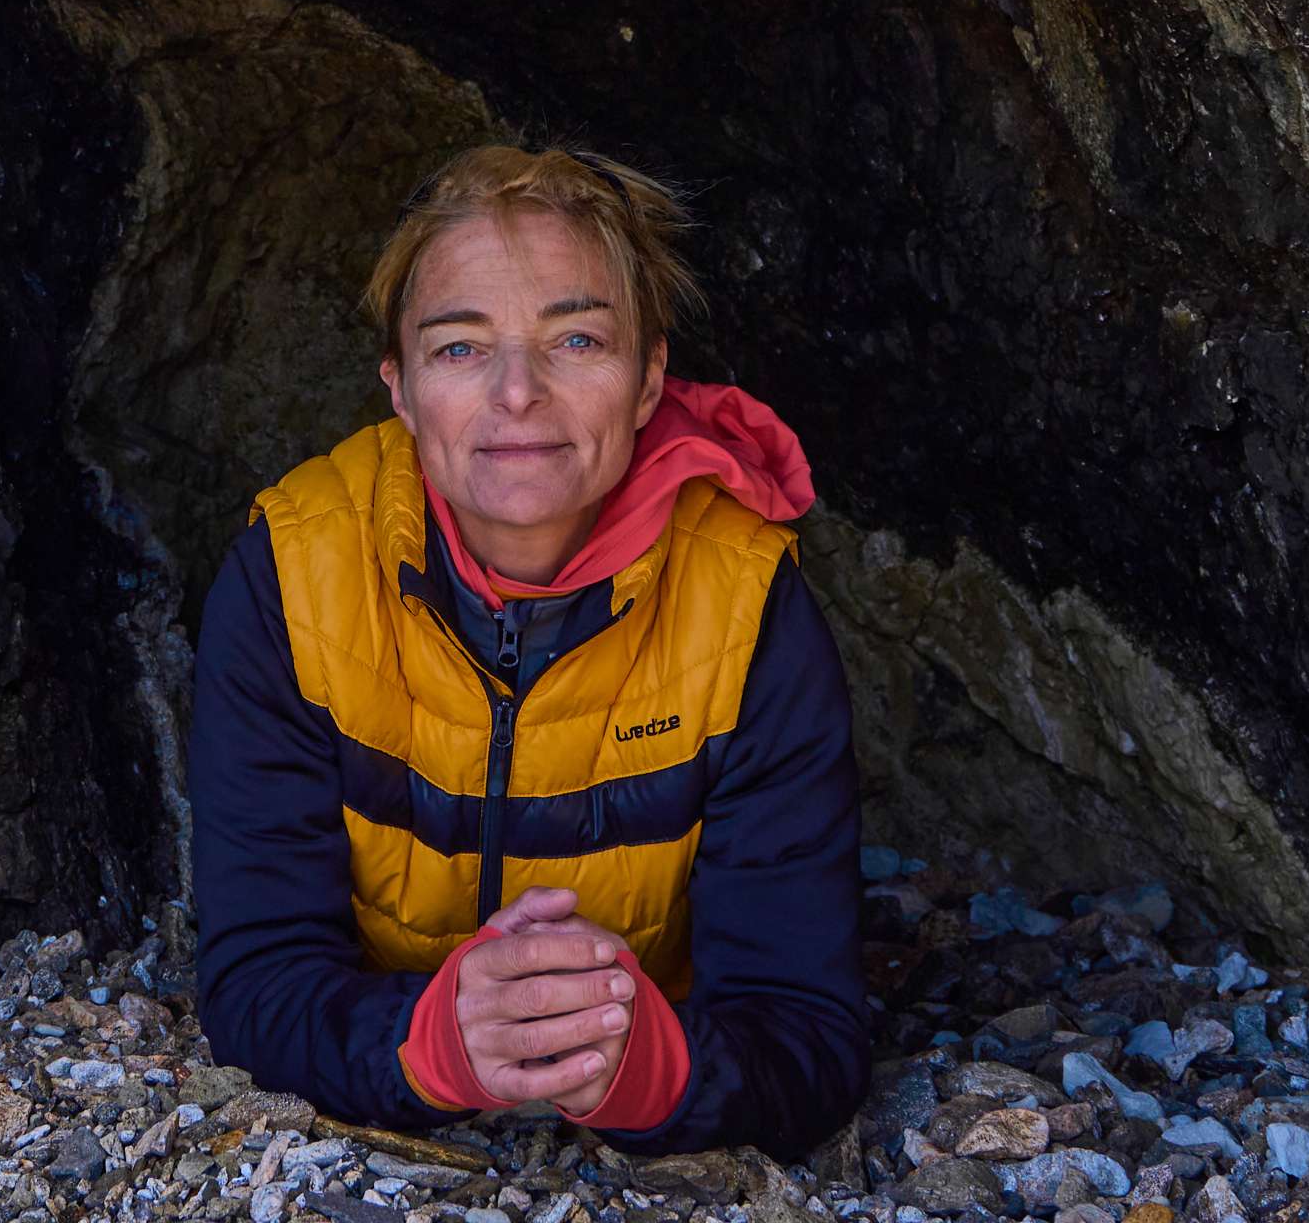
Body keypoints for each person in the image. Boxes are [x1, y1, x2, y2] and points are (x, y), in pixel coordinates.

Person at [188, 144, 867, 1159]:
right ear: (401, 389)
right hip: (406, 1031)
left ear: (648, 381)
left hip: (651, 1032)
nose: (518, 393)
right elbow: (257, 976)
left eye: (578, 339)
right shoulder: (293, 576)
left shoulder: (745, 606)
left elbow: (806, 1028)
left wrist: (655, 1071)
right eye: (460, 348)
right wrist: (427, 1045)